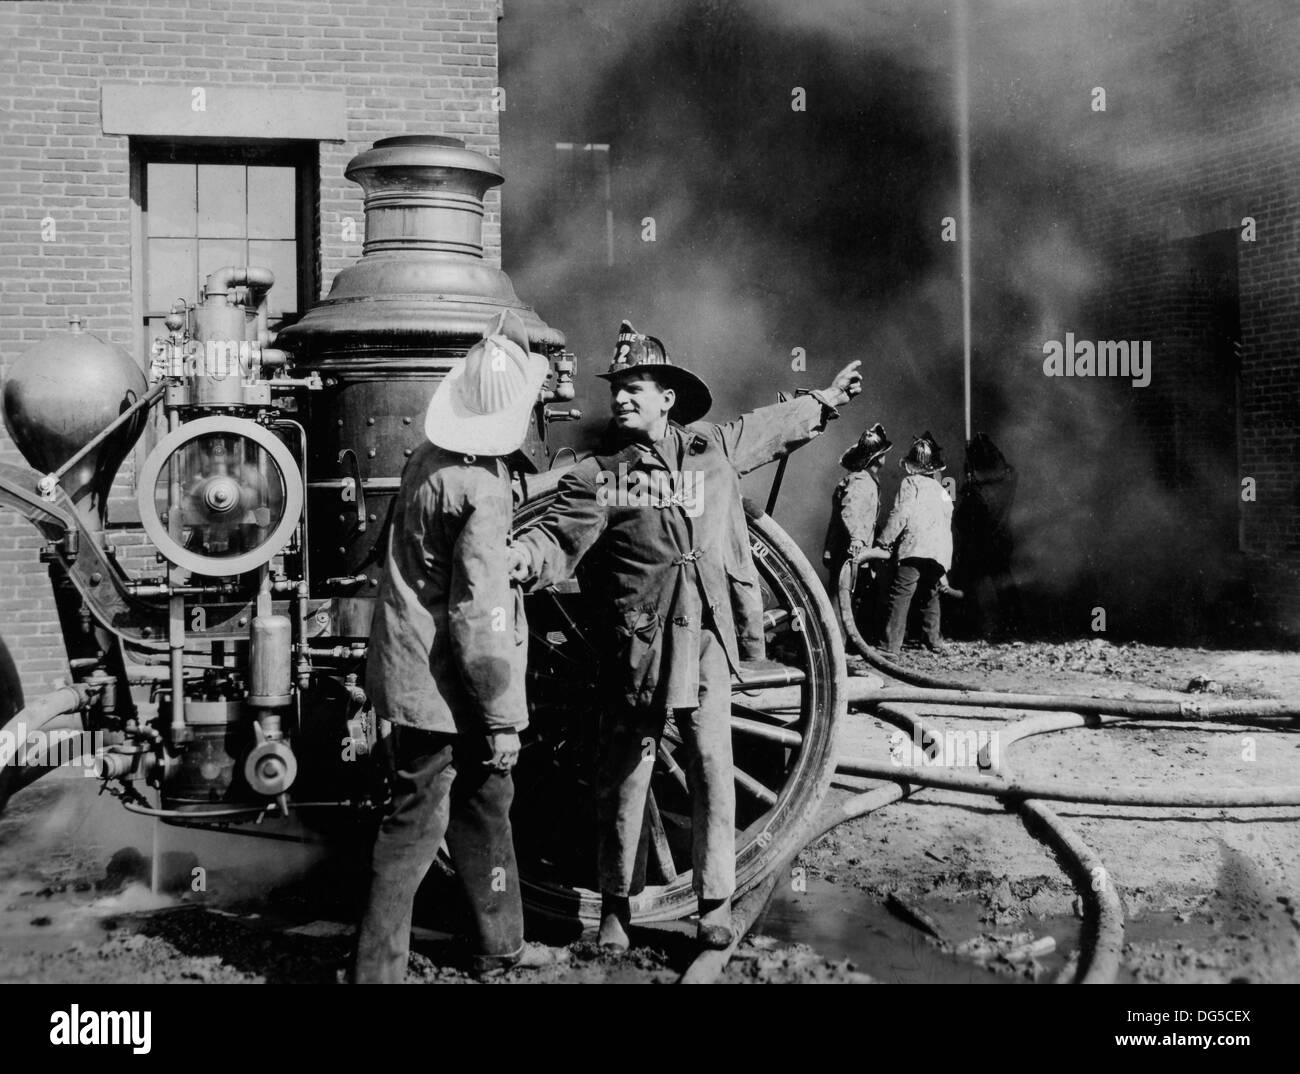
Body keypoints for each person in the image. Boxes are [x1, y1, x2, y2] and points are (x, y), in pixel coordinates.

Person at [508, 321, 863, 950]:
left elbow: (768, 427)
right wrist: (523, 557)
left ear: (667, 398)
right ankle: (616, 909)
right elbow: (556, 536)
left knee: (711, 768)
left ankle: (713, 904)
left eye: (635, 387)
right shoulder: (602, 475)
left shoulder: (712, 448)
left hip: (704, 638)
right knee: (625, 775)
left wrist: (825, 400)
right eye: (616, 389)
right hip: (636, 647)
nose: (620, 398)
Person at [353, 311, 567, 982]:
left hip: (415, 671)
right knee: (411, 830)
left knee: (483, 809)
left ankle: (499, 946)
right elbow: (481, 615)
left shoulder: (426, 458)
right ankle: (374, 974)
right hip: (447, 690)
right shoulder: (483, 486)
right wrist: (501, 719)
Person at [871, 431, 954, 655]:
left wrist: (884, 541)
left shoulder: (909, 483)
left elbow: (901, 514)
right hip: (938, 550)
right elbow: (947, 518)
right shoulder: (943, 490)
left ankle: (890, 647)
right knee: (931, 595)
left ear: (911, 465)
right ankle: (934, 641)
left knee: (900, 595)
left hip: (915, 548)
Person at [822, 423, 892, 641]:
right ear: (876, 458)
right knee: (840, 601)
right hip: (848, 551)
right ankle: (835, 649)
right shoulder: (861, 481)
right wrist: (857, 539)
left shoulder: (866, 480)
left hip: (851, 551)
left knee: (851, 598)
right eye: (883, 454)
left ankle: (844, 645)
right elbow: (850, 511)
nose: (885, 457)